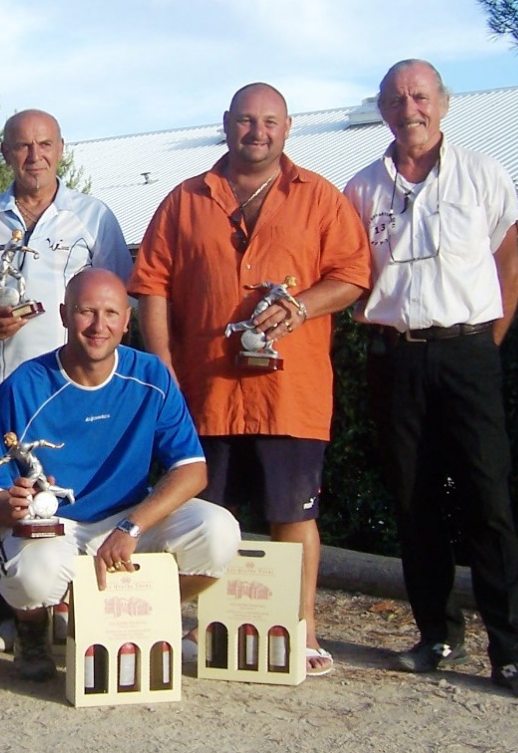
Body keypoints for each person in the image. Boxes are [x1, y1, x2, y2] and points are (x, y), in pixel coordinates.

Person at [129, 83, 371, 678]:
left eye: (268, 122)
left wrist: (302, 307)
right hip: (204, 392)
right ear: (226, 124)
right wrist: (161, 367)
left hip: (291, 393)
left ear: (287, 128)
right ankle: (198, 626)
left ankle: (302, 626)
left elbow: (353, 276)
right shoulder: (185, 200)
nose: (256, 132)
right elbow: (151, 285)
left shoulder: (321, 198)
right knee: (201, 514)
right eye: (244, 121)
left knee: (294, 514)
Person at [344, 59, 518, 699]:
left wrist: (477, 350)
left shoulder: (484, 175)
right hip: (394, 357)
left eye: (422, 95)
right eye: (398, 97)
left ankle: (511, 652)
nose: (411, 107)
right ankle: (436, 633)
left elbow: (510, 275)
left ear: (443, 103)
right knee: (415, 501)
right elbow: (351, 278)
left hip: (468, 354)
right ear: (382, 108)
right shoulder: (359, 191)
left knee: (488, 502)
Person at [0, 269, 241, 681]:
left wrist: (133, 526)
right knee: (32, 577)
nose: (99, 326)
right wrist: (11, 507)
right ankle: (32, 630)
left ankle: (119, 615)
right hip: (55, 524)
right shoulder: (24, 384)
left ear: (127, 321)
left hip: (126, 516)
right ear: (64, 315)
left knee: (219, 532)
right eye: (86, 312)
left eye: (111, 313)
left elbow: (192, 470)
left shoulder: (151, 375)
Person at [0, 108, 132, 652]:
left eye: (44, 144)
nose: (34, 156)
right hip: (0, 381)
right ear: (4, 151)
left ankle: (67, 602)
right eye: (22, 146)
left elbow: (121, 296)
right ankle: (3, 611)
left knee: (68, 491)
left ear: (61, 148)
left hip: (75, 382)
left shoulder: (94, 218)